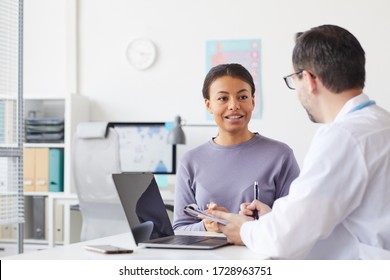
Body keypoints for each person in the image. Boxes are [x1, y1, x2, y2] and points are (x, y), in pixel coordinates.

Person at [212, 25, 390, 259]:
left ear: (308, 79)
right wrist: (273, 218)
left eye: (293, 79)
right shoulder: (380, 123)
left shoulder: (343, 136)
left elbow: (285, 238)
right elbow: (326, 215)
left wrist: (244, 230)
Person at [172, 63, 300, 232]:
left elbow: (296, 222)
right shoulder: (190, 161)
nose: (234, 105)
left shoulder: (280, 155)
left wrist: (262, 221)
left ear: (252, 102)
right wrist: (207, 226)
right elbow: (179, 230)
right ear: (208, 105)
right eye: (223, 98)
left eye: (242, 97)